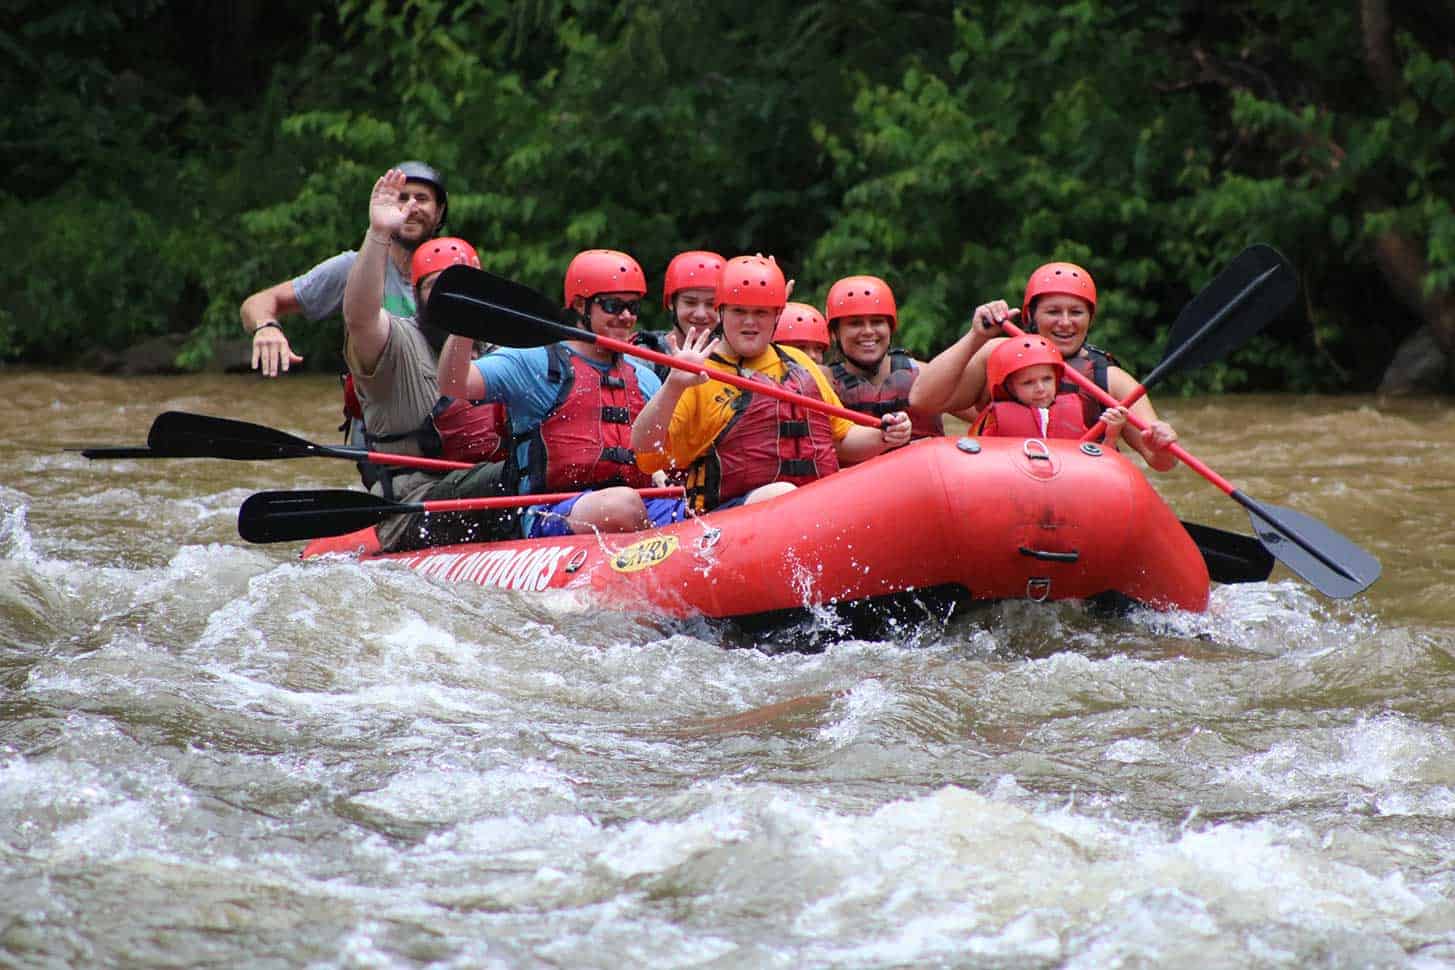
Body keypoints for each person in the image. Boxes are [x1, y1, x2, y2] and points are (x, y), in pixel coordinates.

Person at [630, 255, 912, 514]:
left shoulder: (798, 361)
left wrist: (885, 435)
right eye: (739, 311)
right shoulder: (696, 374)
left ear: (777, 315)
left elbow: (843, 439)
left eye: (761, 313)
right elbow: (644, 451)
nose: (750, 322)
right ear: (722, 312)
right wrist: (673, 386)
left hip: (811, 513)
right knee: (784, 493)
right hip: (723, 520)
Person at [436, 249, 686, 538]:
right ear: (581, 306)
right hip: (550, 510)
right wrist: (463, 328)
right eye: (613, 306)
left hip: (632, 506)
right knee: (622, 506)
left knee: (684, 508)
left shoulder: (644, 378)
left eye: (634, 307)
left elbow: (653, 455)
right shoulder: (536, 362)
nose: (627, 316)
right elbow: (455, 383)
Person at [341, 168, 516, 551]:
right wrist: (378, 235)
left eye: (465, 288)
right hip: (417, 506)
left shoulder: (500, 353)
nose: (453, 300)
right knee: (517, 473)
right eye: (438, 288)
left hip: (498, 499)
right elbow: (359, 317)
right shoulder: (397, 343)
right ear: (417, 294)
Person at [909, 260, 1179, 470]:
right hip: (1000, 485)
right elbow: (923, 400)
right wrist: (975, 336)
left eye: (1076, 312)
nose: (1065, 322)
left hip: (1081, 494)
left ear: (1089, 318)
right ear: (1031, 316)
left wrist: (1163, 444)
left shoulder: (1111, 380)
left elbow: (1161, 463)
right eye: (1052, 312)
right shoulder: (997, 355)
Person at [240, 160, 448, 377]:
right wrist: (266, 327)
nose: (411, 207)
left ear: (439, 211)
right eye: (402, 198)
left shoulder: (456, 271)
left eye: (422, 199)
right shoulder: (353, 268)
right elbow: (256, 303)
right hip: (379, 397)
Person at [824, 275, 956, 439]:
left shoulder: (923, 375)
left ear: (890, 328)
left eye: (877, 321)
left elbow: (984, 413)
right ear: (834, 334)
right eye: (855, 323)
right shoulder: (822, 383)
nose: (868, 331)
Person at [973, 335, 1128, 445]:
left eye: (1047, 379)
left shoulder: (1073, 410)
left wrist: (1111, 435)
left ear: (1057, 379)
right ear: (1010, 388)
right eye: (1028, 382)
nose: (1040, 389)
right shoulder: (996, 418)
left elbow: (1096, 468)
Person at [632, 250, 724, 380]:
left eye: (711, 304)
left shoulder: (734, 356)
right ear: (671, 303)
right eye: (690, 302)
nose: (700, 314)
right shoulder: (644, 357)